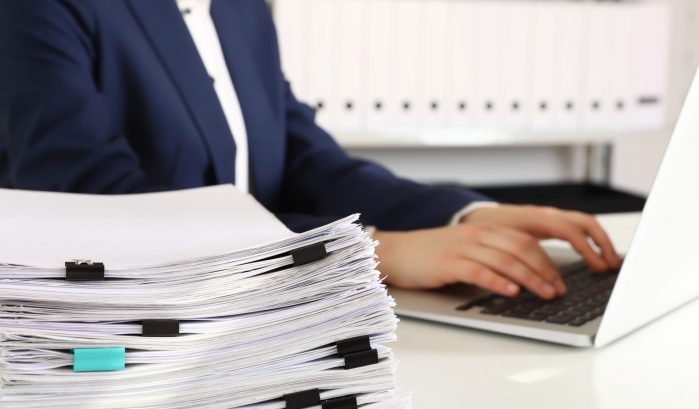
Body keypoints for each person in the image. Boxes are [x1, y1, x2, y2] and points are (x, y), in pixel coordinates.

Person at [0, 0, 620, 299]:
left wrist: (463, 216)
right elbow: (98, 204)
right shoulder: (39, 8)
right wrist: (371, 252)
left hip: (269, 318)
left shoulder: (240, 8)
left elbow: (301, 159)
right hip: (122, 336)